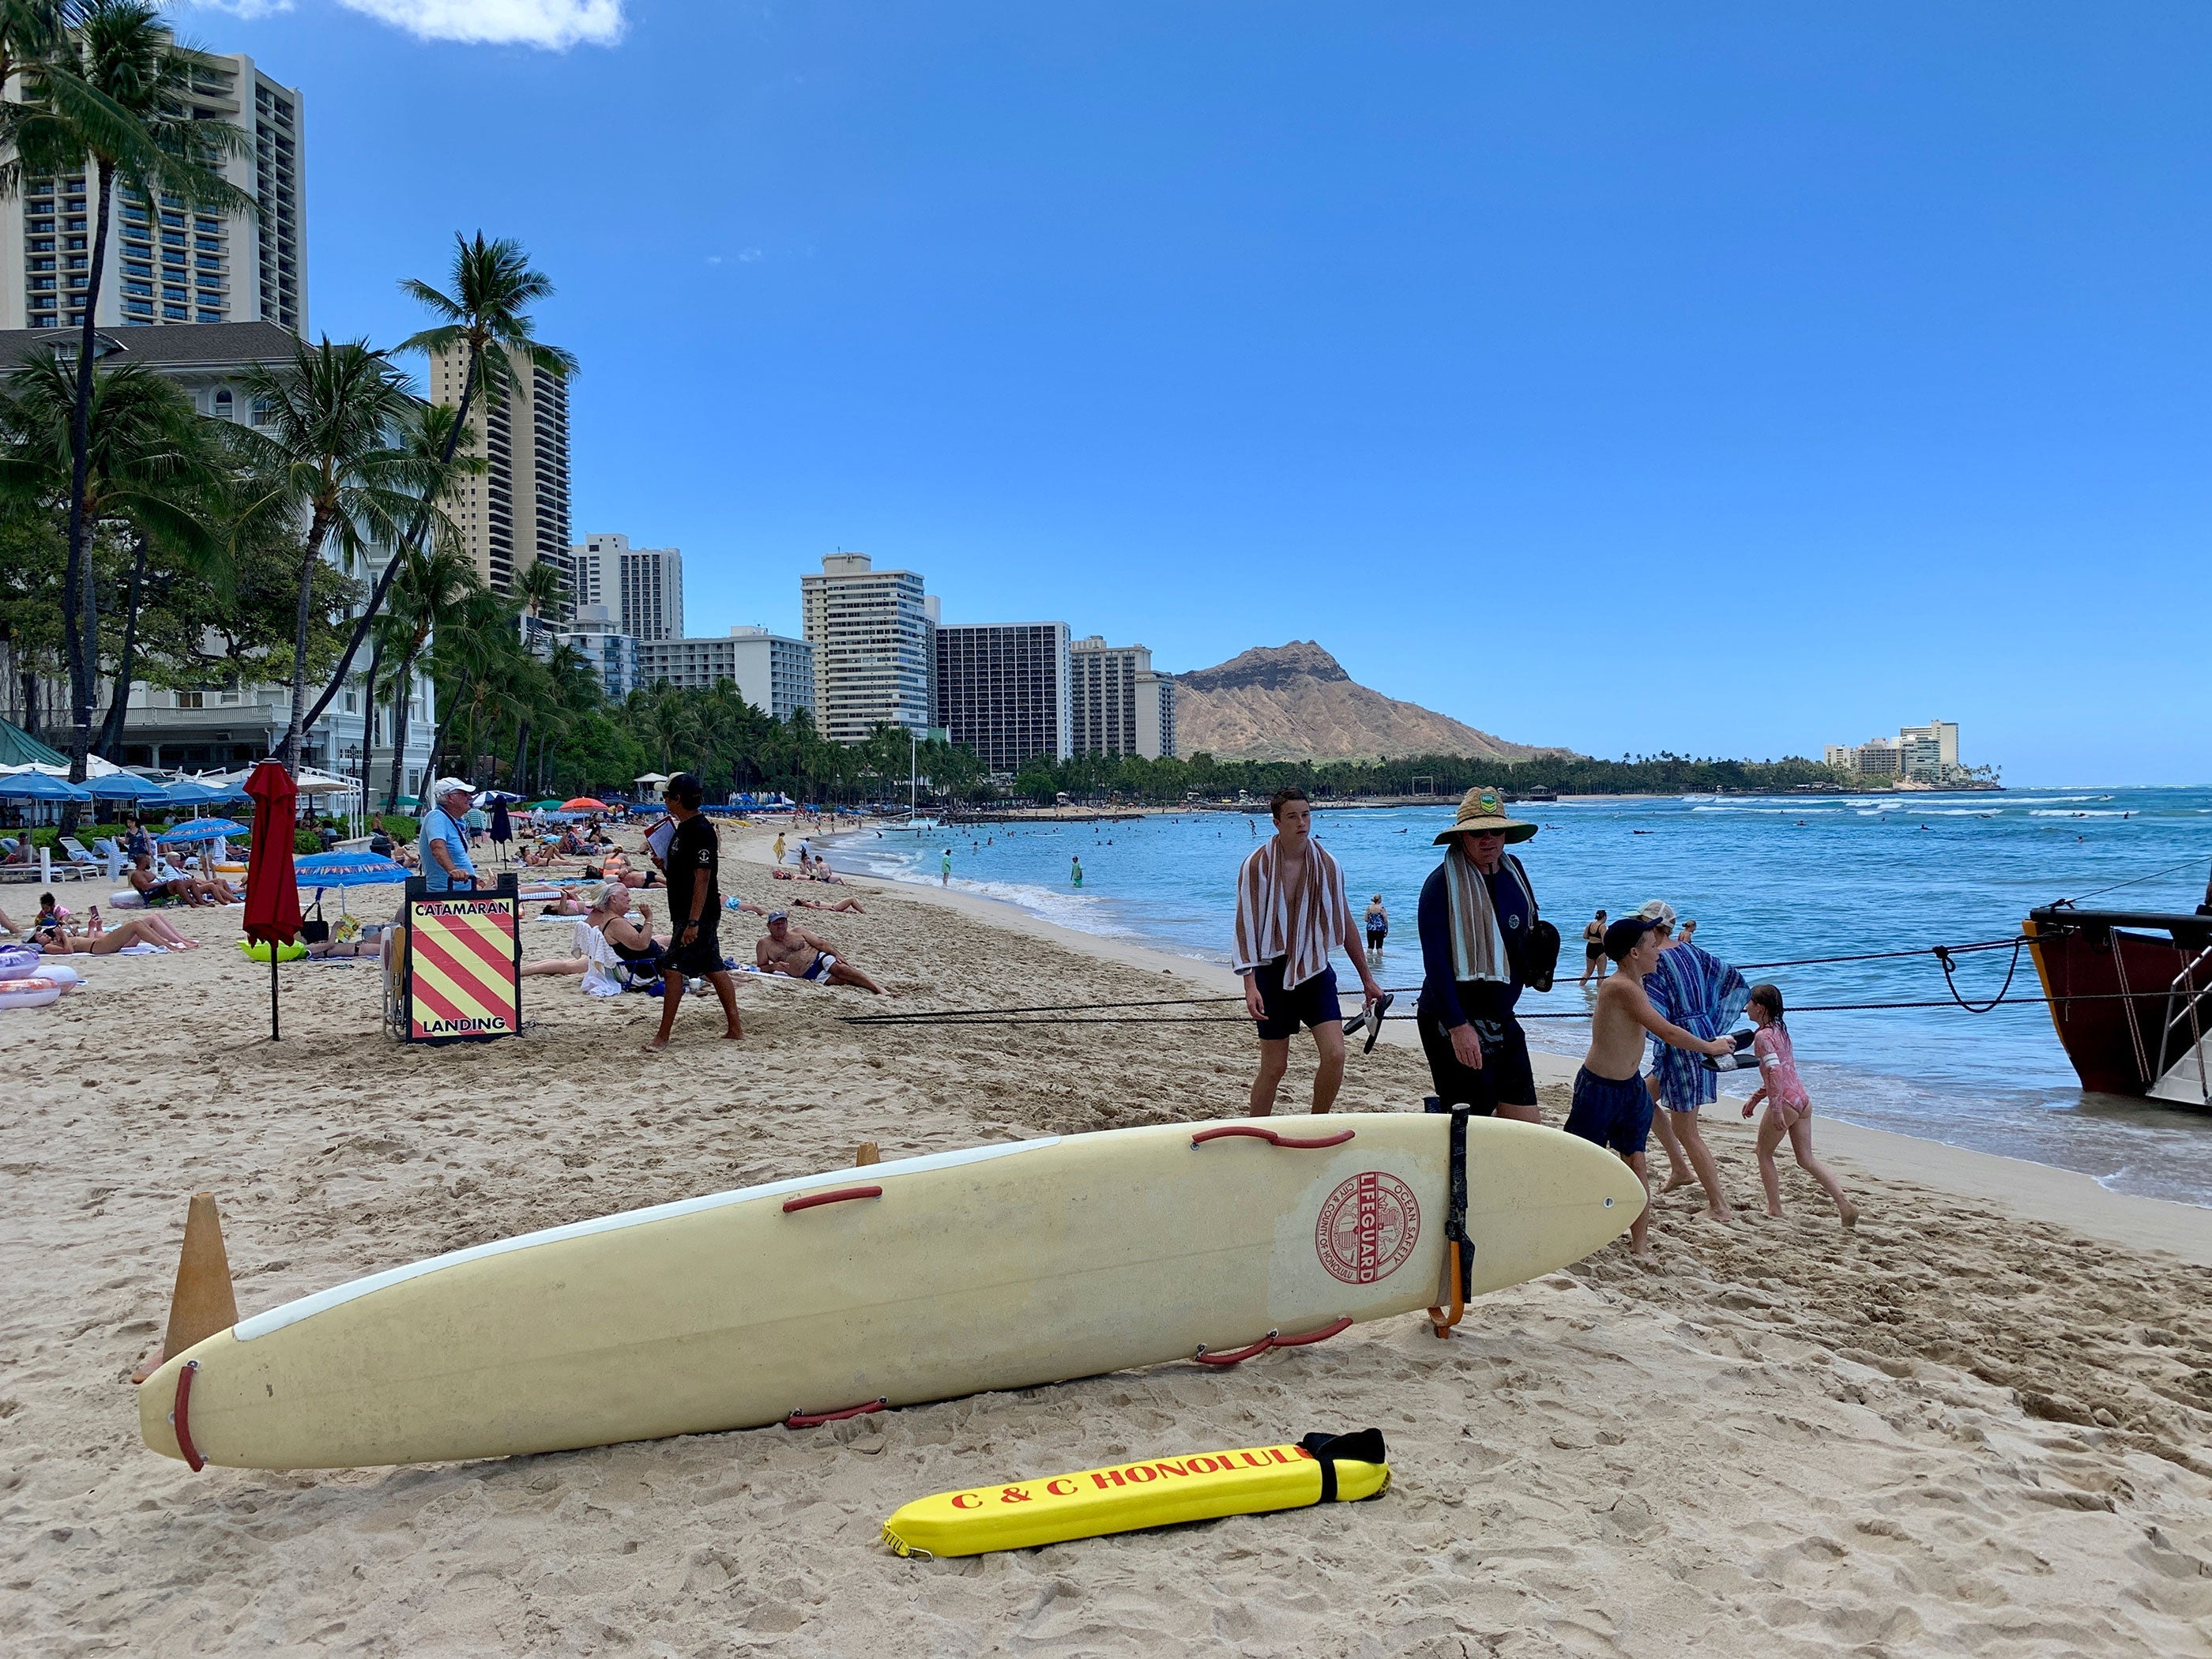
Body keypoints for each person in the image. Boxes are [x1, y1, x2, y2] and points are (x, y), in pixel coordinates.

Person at [1566, 916, 1734, 1257]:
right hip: (1599, 1089)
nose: (1660, 950)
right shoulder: (1619, 987)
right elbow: (1667, 1031)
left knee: (1637, 1163)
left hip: (1630, 1089)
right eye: (1653, 945)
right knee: (1584, 1164)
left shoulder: (1638, 980)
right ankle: (1573, 1234)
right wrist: (1711, 1047)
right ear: (1633, 953)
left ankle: (1639, 1248)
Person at [1232, 786, 1385, 1117]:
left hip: (1315, 970)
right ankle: (1255, 1130)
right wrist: (1250, 985)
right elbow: (1245, 925)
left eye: (1305, 815)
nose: (1301, 823)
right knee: (1275, 1067)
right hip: (1271, 973)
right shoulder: (1256, 866)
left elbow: (1344, 922)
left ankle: (1318, 1120)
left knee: (1335, 1055)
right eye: (1292, 817)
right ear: (1276, 822)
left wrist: (1368, 980)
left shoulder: (1327, 865)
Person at [1414, 788, 1544, 1124]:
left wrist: (1539, 959)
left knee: (1526, 1126)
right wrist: (1458, 1027)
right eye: (1477, 832)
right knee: (1472, 1124)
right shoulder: (1441, 885)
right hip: (1453, 1019)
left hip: (1503, 1016)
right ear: (1462, 837)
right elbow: (1436, 963)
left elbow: (1524, 928)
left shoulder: (1514, 869)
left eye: (1496, 830)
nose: (1488, 839)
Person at [1638, 899, 1749, 1224]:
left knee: (1687, 1129)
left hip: (1685, 1042)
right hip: (1699, 1034)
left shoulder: (1656, 959)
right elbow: (1729, 979)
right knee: (1642, 1100)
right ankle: (1680, 1168)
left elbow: (1650, 1007)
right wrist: (1708, 1019)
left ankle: (1719, 1206)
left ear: (1654, 928)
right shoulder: (1692, 951)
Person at [1740, 983, 1858, 1225]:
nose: (1746, 1007)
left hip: (1784, 1102)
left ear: (1760, 1008)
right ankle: (1844, 1204)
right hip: (1802, 1100)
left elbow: (1774, 1072)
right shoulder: (1780, 1031)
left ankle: (1775, 1209)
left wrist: (1774, 1109)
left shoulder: (1761, 1037)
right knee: (1806, 1159)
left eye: (1750, 1003)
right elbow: (1784, 1071)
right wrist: (1755, 1097)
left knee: (1763, 1153)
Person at [645, 773, 741, 1049]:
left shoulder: (700, 830)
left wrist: (693, 922)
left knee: (671, 968)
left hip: (698, 914)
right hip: (688, 912)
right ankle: (735, 1027)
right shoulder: (682, 829)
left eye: (667, 796)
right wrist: (663, 865)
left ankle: (663, 1036)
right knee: (713, 967)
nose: (663, 800)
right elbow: (683, 875)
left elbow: (703, 878)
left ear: (678, 799)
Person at [755, 911, 886, 991]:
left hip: (819, 958)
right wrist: (774, 966)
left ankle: (879, 989)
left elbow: (821, 943)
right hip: (808, 974)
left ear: (787, 924)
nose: (780, 926)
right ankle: (871, 987)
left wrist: (837, 954)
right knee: (843, 981)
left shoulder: (798, 931)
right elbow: (761, 967)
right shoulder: (764, 944)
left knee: (842, 970)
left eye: (783, 923)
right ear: (769, 926)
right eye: (776, 924)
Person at [420, 779, 484, 893]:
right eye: (465, 794)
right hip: (448, 893)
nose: (469, 797)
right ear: (450, 797)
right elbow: (437, 847)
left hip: (460, 889)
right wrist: (453, 870)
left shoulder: (451, 820)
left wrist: (473, 876)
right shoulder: (437, 816)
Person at [39, 911, 196, 953]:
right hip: (98, 947)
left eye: (44, 933)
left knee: (138, 924)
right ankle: (171, 946)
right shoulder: (47, 948)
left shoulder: (54, 941)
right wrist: (65, 936)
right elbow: (68, 950)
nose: (44, 936)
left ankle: (171, 945)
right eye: (40, 937)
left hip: (98, 944)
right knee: (135, 924)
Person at [1577, 908, 1609, 987]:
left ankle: (1580, 986)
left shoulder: (1590, 924)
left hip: (1590, 947)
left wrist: (1592, 938)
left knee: (1588, 971)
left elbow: (1585, 936)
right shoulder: (1602, 927)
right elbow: (1604, 940)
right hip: (1599, 949)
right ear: (1604, 917)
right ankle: (1599, 992)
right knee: (1601, 974)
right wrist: (1609, 952)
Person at [1364, 894, 1389, 962]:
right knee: (1379, 947)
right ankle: (1379, 962)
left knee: (1370, 946)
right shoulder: (1382, 908)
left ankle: (1369, 961)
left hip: (1370, 928)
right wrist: (1387, 929)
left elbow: (1366, 919)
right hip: (1380, 929)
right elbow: (1385, 920)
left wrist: (1372, 921)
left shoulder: (1369, 908)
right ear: (1379, 900)